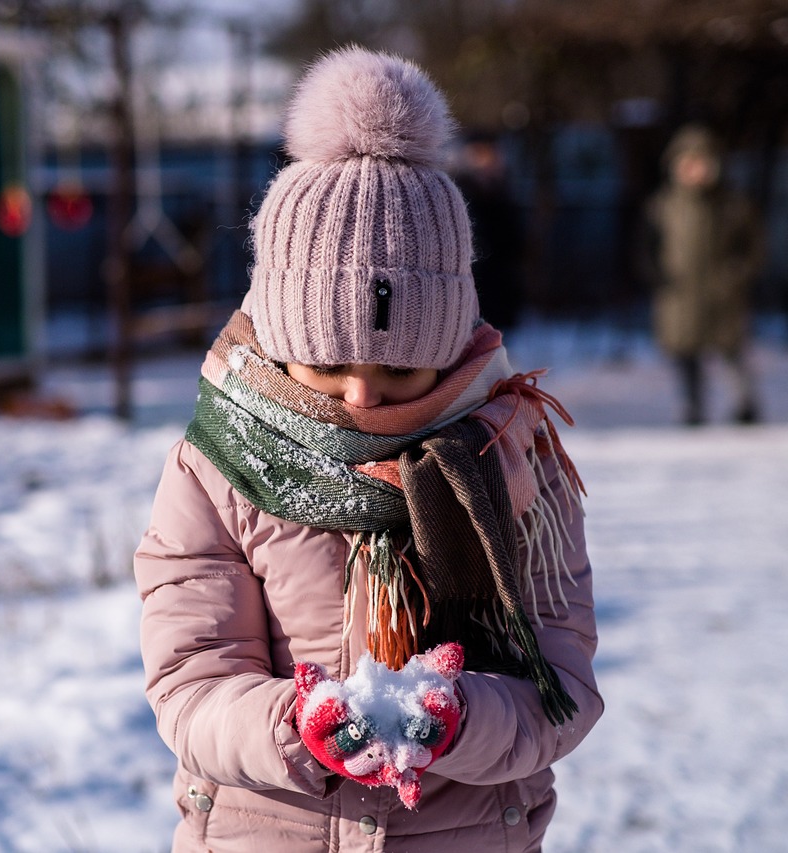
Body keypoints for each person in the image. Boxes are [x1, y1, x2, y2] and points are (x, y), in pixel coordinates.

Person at [134, 47, 602, 852]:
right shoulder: (217, 467)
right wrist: (292, 725)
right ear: (280, 343)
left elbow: (558, 688)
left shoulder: (515, 456)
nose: (359, 394)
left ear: (450, 344)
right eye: (327, 364)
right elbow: (191, 683)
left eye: (398, 367)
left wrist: (461, 719)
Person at [643, 124, 765, 425]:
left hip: (722, 292)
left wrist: (736, 273)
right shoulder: (663, 205)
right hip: (679, 295)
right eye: (688, 163)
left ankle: (745, 404)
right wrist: (658, 275)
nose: (695, 170)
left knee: (732, 351)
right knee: (686, 355)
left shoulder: (733, 204)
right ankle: (692, 408)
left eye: (701, 163)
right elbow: (645, 246)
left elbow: (754, 246)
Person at [454, 130, 526, 330]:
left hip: (501, 287)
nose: (486, 162)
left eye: (490, 154)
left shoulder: (504, 193)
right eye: (480, 154)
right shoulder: (459, 192)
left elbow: (515, 241)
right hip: (473, 289)